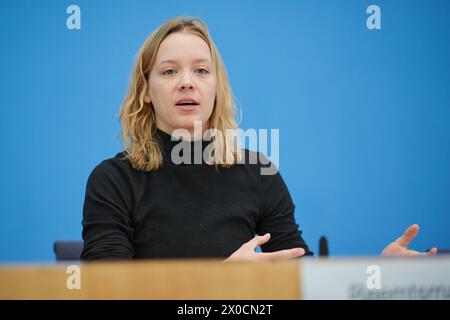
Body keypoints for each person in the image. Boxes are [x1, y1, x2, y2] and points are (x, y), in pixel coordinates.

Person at [80, 16, 437, 261]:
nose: (187, 82)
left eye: (201, 70)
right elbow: (108, 291)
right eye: (170, 71)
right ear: (145, 90)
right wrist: (223, 284)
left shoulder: (258, 172)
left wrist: (377, 277)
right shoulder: (113, 180)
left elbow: (300, 278)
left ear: (216, 88)